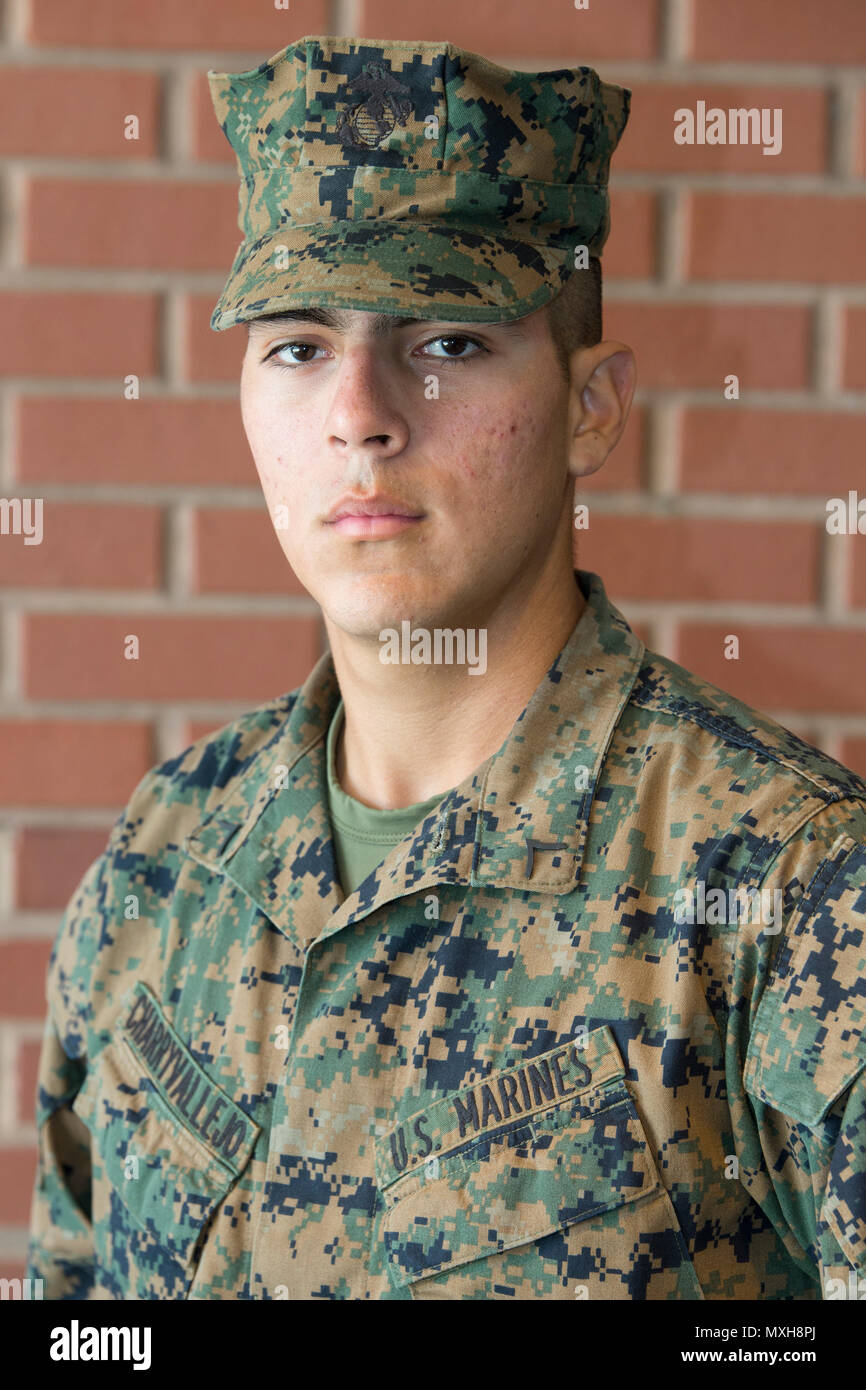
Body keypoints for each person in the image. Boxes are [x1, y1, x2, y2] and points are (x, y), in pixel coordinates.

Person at [26, 34, 866, 1302]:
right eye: (299, 343)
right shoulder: (168, 857)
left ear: (591, 408)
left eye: (449, 340)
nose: (359, 411)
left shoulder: (786, 892)